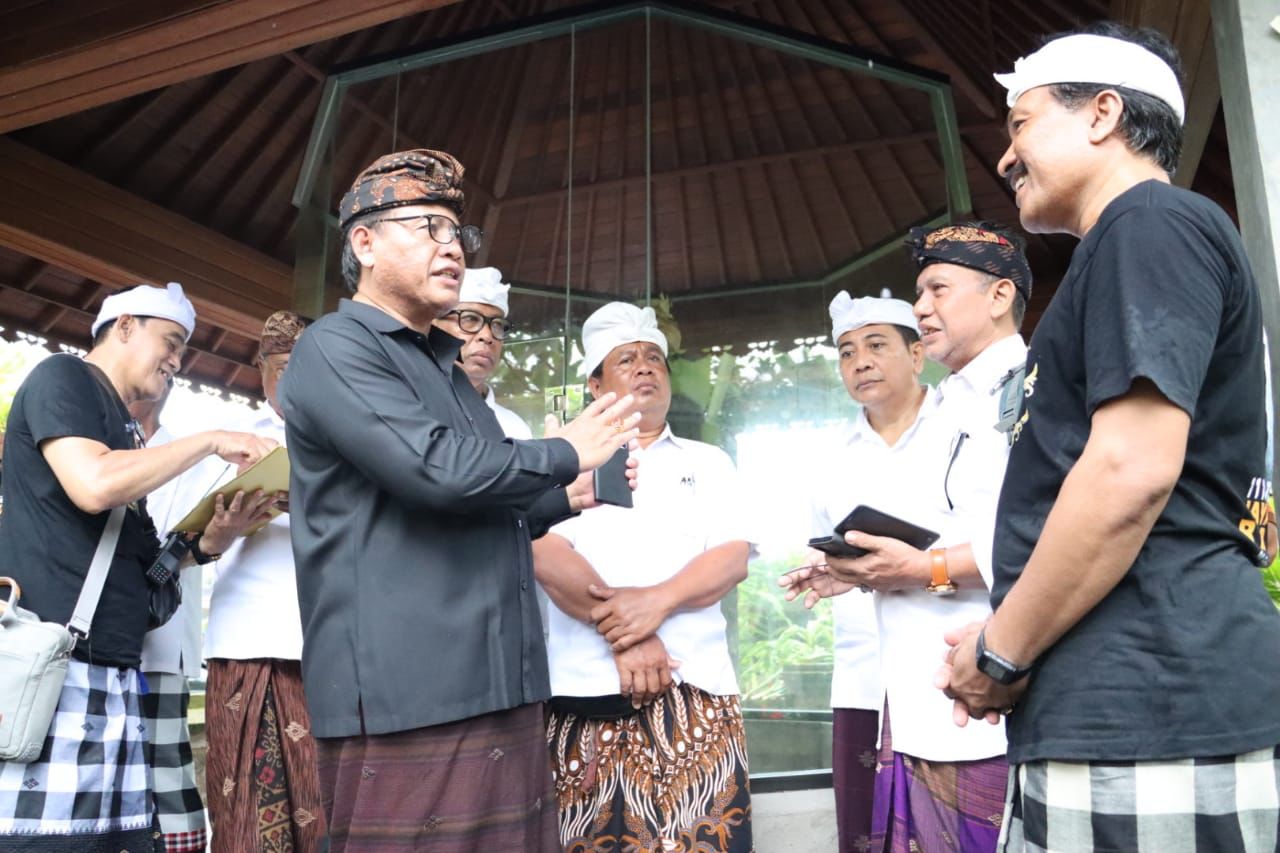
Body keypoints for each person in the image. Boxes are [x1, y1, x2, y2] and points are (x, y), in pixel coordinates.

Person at [939, 22, 1280, 852]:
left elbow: (1129, 470)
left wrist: (1000, 650)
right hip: (1124, 709)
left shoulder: (1149, 222)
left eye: (1020, 123)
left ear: (1101, 114)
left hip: (1153, 707)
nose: (1005, 156)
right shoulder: (1132, 243)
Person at [279, 148, 641, 852]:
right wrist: (562, 451)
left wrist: (567, 495)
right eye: (428, 227)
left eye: (457, 234)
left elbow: (480, 503)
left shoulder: (443, 367)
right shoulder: (334, 346)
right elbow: (435, 470)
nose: (452, 248)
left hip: (500, 679)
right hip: (407, 690)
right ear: (365, 243)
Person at [782, 223, 1031, 853]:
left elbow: (1041, 538)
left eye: (938, 290)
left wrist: (922, 570)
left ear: (999, 295)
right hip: (906, 687)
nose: (924, 308)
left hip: (990, 671)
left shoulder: (1027, 386)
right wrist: (852, 571)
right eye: (846, 352)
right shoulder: (958, 402)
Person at [0, 283, 275, 852]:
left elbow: (144, 566)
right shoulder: (63, 377)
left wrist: (213, 540)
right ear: (124, 326)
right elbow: (94, 484)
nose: (177, 361)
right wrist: (212, 440)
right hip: (54, 666)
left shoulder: (124, 429)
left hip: (112, 671)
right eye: (171, 341)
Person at [533, 301, 753, 851]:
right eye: (626, 359)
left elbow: (732, 558)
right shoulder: (556, 465)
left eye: (654, 357)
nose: (645, 367)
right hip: (588, 696)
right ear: (594, 384)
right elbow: (544, 551)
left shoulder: (708, 462)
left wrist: (656, 602)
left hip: (697, 692)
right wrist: (629, 636)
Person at [199, 310, 328, 853]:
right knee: (248, 815)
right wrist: (222, 529)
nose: (296, 380)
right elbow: (189, 542)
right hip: (246, 644)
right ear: (261, 371)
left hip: (332, 644)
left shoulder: (354, 440)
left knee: (330, 808)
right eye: (283, 367)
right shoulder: (235, 441)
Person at [130, 379, 213, 853]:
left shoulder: (190, 457)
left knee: (166, 770)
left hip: (159, 639)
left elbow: (187, 542)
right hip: (81, 640)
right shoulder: (87, 448)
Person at [435, 265, 531, 438]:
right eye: (470, 319)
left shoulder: (515, 428)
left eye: (498, 325)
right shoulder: (410, 411)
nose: (487, 336)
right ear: (432, 326)